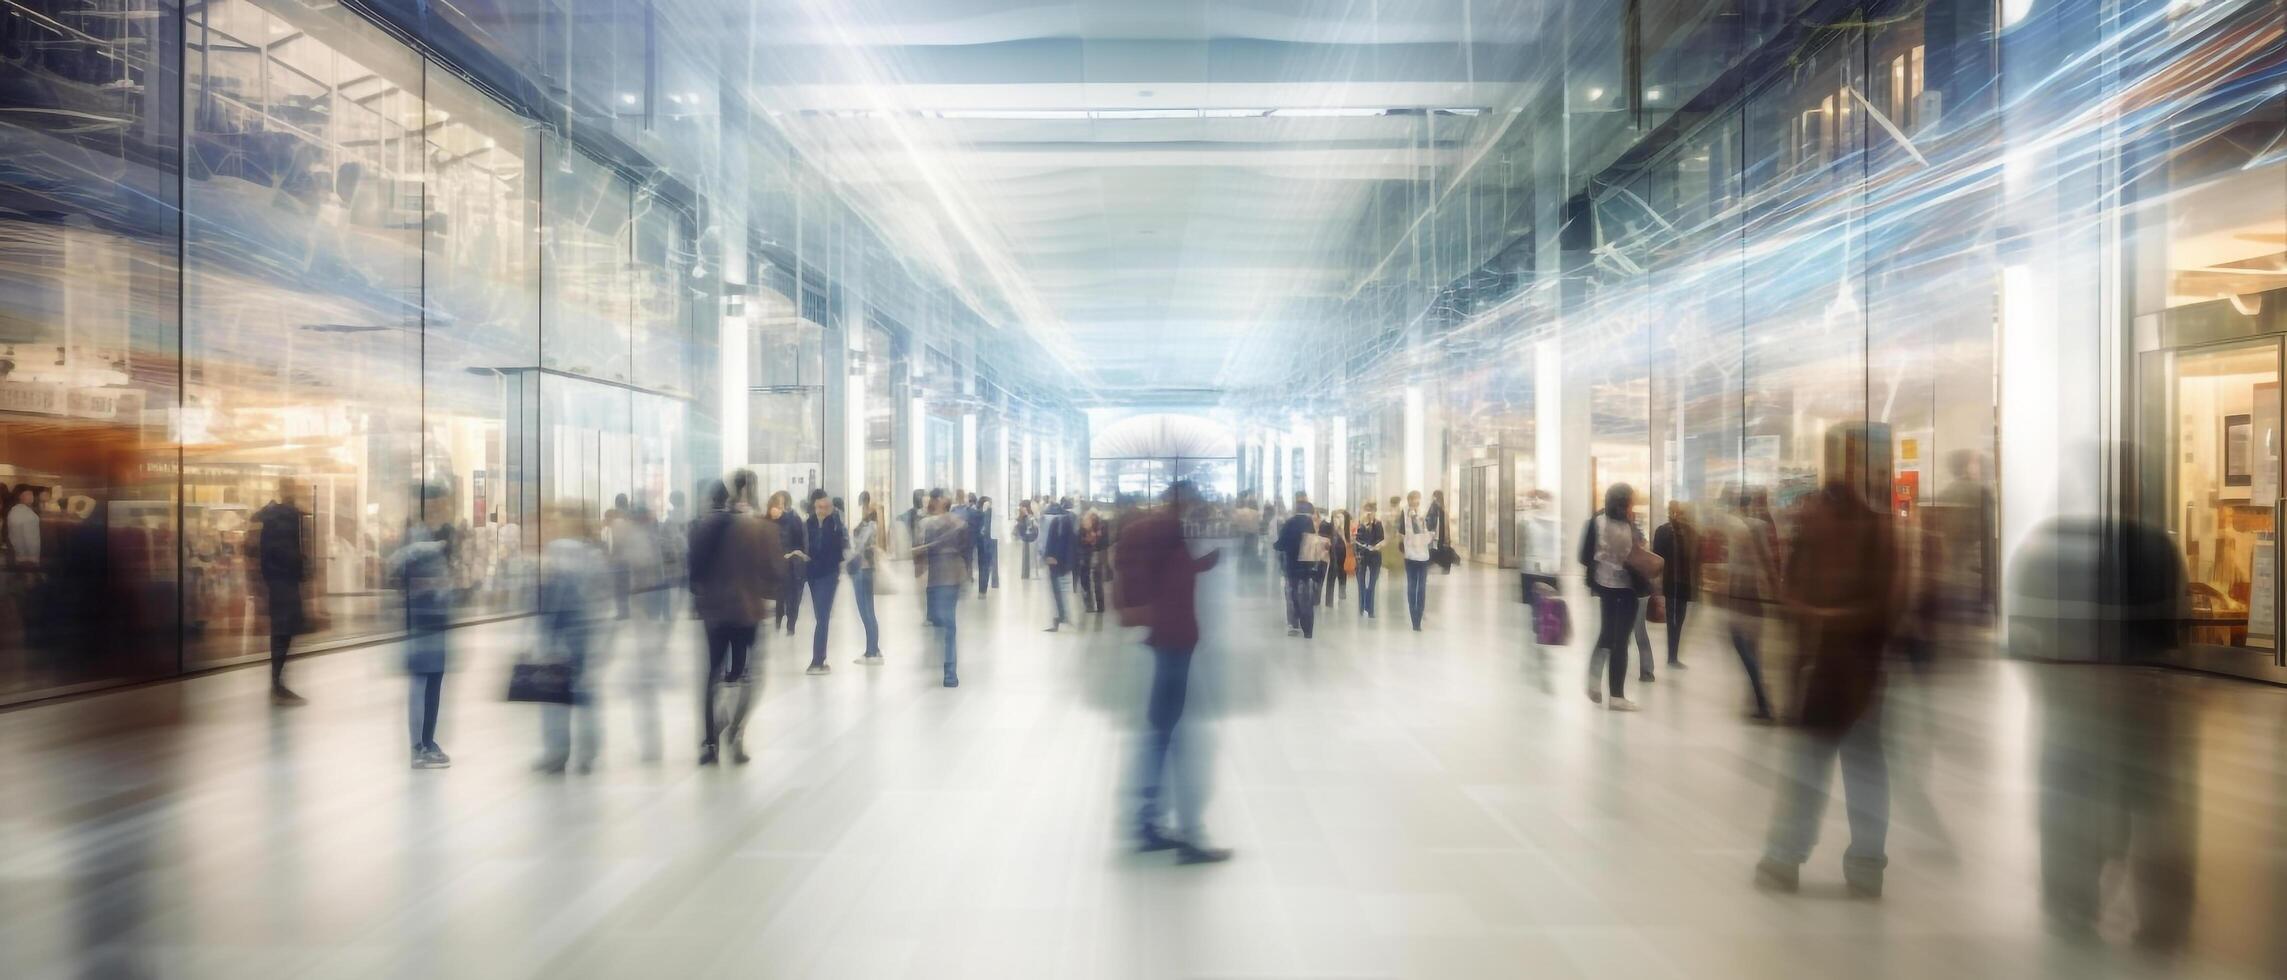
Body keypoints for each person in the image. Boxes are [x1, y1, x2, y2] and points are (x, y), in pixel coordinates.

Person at [1756, 424, 1902, 898]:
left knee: (1811, 769)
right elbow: (1885, 604)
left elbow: (1796, 598)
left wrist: (1819, 619)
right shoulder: (1872, 529)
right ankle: (1862, 865)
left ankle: (1785, 857)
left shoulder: (1833, 528)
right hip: (1852, 673)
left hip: (1831, 671)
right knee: (1857, 770)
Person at [1113, 480, 1231, 864]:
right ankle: (1182, 831)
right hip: (1172, 643)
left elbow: (1170, 575)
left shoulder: (1165, 531)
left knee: (1164, 733)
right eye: (1194, 500)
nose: (1197, 507)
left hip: (1173, 643)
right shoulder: (1161, 529)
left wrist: (1202, 564)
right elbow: (1147, 580)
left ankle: (1148, 823)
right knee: (1172, 736)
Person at [689, 473, 782, 765]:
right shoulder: (758, 527)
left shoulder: (706, 526)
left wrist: (702, 598)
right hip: (747, 610)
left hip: (715, 612)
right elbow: (775, 573)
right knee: (750, 676)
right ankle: (736, 731)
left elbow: (694, 572)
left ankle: (710, 742)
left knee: (712, 673)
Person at [534, 502, 610, 774]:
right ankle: (588, 751)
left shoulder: (559, 551)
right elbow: (601, 596)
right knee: (584, 694)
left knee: (555, 694)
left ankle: (557, 753)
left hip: (563, 632)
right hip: (585, 632)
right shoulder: (594, 553)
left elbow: (551, 598)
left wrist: (543, 636)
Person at [390, 481, 460, 768]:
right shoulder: (418, 539)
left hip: (435, 619)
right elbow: (401, 574)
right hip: (422, 621)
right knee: (422, 683)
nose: (441, 508)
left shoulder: (439, 536)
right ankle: (419, 746)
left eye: (442, 503)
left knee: (432, 683)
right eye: (436, 503)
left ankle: (428, 742)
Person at [1579, 483, 1644, 711]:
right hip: (1626, 589)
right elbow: (1638, 554)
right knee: (1621, 641)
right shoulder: (1629, 525)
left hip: (1604, 585)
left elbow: (1584, 556)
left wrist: (1601, 564)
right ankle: (1616, 695)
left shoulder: (1596, 522)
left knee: (1607, 634)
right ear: (1626, 501)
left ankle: (1593, 682)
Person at [1715, 487, 1778, 721]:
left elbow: (1737, 562)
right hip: (1749, 594)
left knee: (1743, 646)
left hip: (1742, 595)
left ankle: (1762, 700)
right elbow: (1766, 561)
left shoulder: (1737, 527)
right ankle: (1759, 699)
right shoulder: (1753, 526)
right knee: (1750, 647)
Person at [247, 483, 310, 706]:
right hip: (284, 582)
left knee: (282, 632)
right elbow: (288, 552)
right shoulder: (287, 519)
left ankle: (277, 683)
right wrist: (300, 570)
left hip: (277, 582)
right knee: (283, 632)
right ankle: (277, 685)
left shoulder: (272, 518)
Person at [912, 492, 971, 687]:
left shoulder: (952, 524)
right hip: (939, 578)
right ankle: (948, 665)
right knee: (942, 622)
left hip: (946, 578)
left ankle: (950, 671)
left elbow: (964, 549)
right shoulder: (938, 524)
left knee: (947, 624)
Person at [803, 491, 849, 674]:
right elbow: (804, 544)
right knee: (820, 615)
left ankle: (817, 660)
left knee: (822, 617)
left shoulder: (837, 525)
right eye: (819, 508)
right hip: (813, 574)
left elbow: (842, 548)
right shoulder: (808, 524)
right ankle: (818, 659)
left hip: (829, 574)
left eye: (826, 508)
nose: (822, 511)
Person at [1652, 501, 1698, 671]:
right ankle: (1672, 656)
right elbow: (1657, 557)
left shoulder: (1690, 532)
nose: (1675, 515)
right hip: (1671, 582)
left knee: (1679, 619)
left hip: (1683, 583)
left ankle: (1673, 655)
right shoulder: (1663, 531)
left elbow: (1693, 558)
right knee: (1672, 619)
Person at [1272, 494, 1320, 638]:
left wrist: (1276, 546)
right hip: (1307, 566)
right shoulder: (1310, 524)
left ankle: (1293, 624)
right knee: (1307, 596)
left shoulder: (1289, 523)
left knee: (1291, 593)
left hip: (1292, 566)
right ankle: (1308, 630)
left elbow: (1281, 544)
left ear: (1295, 509)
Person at [849, 500, 886, 665]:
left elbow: (860, 546)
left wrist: (850, 558)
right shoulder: (869, 525)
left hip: (863, 570)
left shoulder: (870, 526)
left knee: (866, 611)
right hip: (865, 569)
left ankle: (872, 650)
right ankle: (872, 649)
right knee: (867, 611)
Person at [768, 491, 809, 635]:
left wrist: (795, 554)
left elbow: (801, 544)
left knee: (792, 597)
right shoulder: (773, 520)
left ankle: (790, 625)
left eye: (781, 503)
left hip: (793, 565)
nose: (778, 507)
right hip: (781, 564)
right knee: (781, 596)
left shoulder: (794, 519)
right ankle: (780, 622)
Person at [1040, 497, 1078, 630]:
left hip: (1056, 560)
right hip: (1060, 561)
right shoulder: (1067, 519)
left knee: (1058, 590)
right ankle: (1061, 616)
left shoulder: (1058, 521)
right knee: (1060, 589)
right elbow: (1070, 543)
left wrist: (1047, 556)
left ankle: (1061, 616)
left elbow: (1048, 540)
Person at [1398, 491, 1434, 631]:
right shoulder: (1406, 514)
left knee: (1421, 588)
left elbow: (1428, 532)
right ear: (1409, 501)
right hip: (1411, 557)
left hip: (1423, 556)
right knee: (1413, 587)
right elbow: (1404, 533)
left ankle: (1418, 617)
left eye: (1417, 500)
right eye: (1413, 500)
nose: (1415, 502)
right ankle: (1415, 619)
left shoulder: (1423, 513)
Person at [1351, 503, 1385, 618]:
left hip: (1375, 556)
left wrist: (1376, 546)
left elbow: (1381, 539)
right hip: (1362, 556)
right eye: (1367, 510)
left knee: (1372, 584)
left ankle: (1370, 610)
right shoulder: (1359, 524)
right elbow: (1355, 540)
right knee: (1361, 584)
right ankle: (1361, 607)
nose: (1369, 513)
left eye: (1372, 511)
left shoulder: (1378, 524)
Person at [1076, 510, 1108, 613]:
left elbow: (1104, 543)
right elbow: (1078, 541)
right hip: (1086, 555)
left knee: (1096, 580)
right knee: (1087, 580)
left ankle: (1097, 605)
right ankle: (1091, 605)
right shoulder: (1082, 529)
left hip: (1094, 554)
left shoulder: (1101, 528)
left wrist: (1095, 538)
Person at [1322, 509, 1351, 607]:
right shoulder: (1329, 528)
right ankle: (1329, 601)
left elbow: (1348, 543)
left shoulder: (1345, 529)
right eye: (1336, 517)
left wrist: (1341, 532)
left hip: (1343, 555)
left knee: (1343, 574)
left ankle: (1342, 595)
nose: (1338, 519)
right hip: (1332, 556)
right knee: (1331, 576)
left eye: (1341, 517)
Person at [7, 485, 39, 569]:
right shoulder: (25, 514)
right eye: (28, 494)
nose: (31, 497)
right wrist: (33, 558)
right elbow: (30, 538)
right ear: (19, 496)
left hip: (20, 555)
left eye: (32, 494)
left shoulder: (15, 510)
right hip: (27, 558)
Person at [975, 495, 999, 595]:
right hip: (988, 543)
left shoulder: (976, 514)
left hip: (982, 543)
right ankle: (983, 589)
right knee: (987, 565)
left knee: (984, 566)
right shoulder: (988, 514)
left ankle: (983, 589)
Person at [1427, 489, 1452, 573]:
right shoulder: (1442, 507)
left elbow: (1429, 519)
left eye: (1434, 496)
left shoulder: (1435, 506)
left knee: (1435, 549)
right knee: (1440, 549)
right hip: (1439, 534)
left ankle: (1437, 565)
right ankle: (1443, 567)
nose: (1433, 498)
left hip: (1436, 534)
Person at [1015, 501, 1038, 579]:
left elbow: (1032, 527)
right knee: (1025, 557)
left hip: (1030, 539)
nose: (1020, 509)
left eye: (1021, 507)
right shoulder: (1022, 517)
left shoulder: (1030, 517)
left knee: (1028, 557)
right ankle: (1025, 574)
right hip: (1025, 538)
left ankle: (1027, 574)